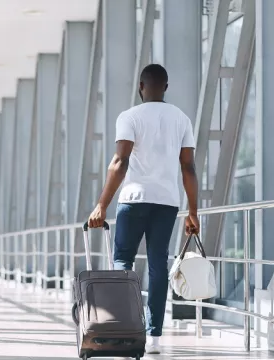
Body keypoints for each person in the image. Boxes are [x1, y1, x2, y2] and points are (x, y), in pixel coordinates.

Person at [88, 64, 199, 355]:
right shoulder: (181, 119)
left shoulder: (130, 117)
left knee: (123, 261)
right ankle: (155, 337)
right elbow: (188, 166)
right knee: (158, 265)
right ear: (165, 87)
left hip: (133, 199)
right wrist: (193, 212)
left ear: (140, 86)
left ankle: (123, 328)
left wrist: (102, 205)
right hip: (166, 202)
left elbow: (120, 162)